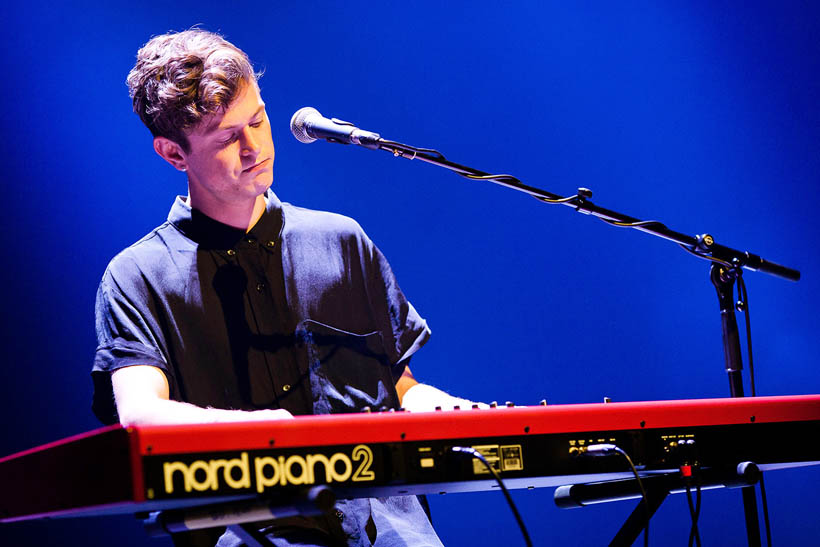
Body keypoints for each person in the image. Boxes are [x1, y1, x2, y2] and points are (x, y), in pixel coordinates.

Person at [92, 29, 479, 547]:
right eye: (228, 137)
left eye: (258, 119)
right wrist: (259, 430)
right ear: (173, 154)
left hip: (395, 531)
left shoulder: (342, 240)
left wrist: (435, 403)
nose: (254, 147)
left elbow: (398, 384)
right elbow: (140, 415)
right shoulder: (137, 276)